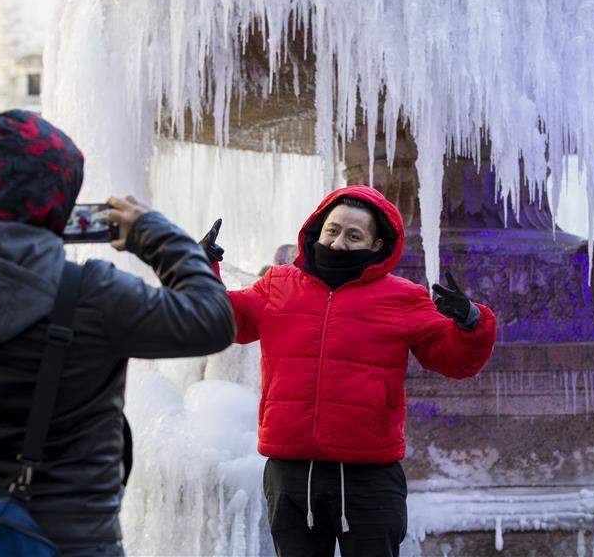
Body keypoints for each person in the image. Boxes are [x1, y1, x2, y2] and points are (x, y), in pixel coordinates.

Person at [0, 109, 235, 555]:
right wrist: (154, 234)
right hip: (71, 541)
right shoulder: (96, 294)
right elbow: (213, 320)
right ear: (59, 200)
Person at [199, 185, 497, 557]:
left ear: (377, 246)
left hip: (368, 479)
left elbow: (455, 360)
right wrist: (199, 270)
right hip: (291, 475)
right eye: (333, 230)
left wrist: (470, 322)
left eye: (354, 235)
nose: (338, 242)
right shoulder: (277, 285)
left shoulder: (404, 298)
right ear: (317, 230)